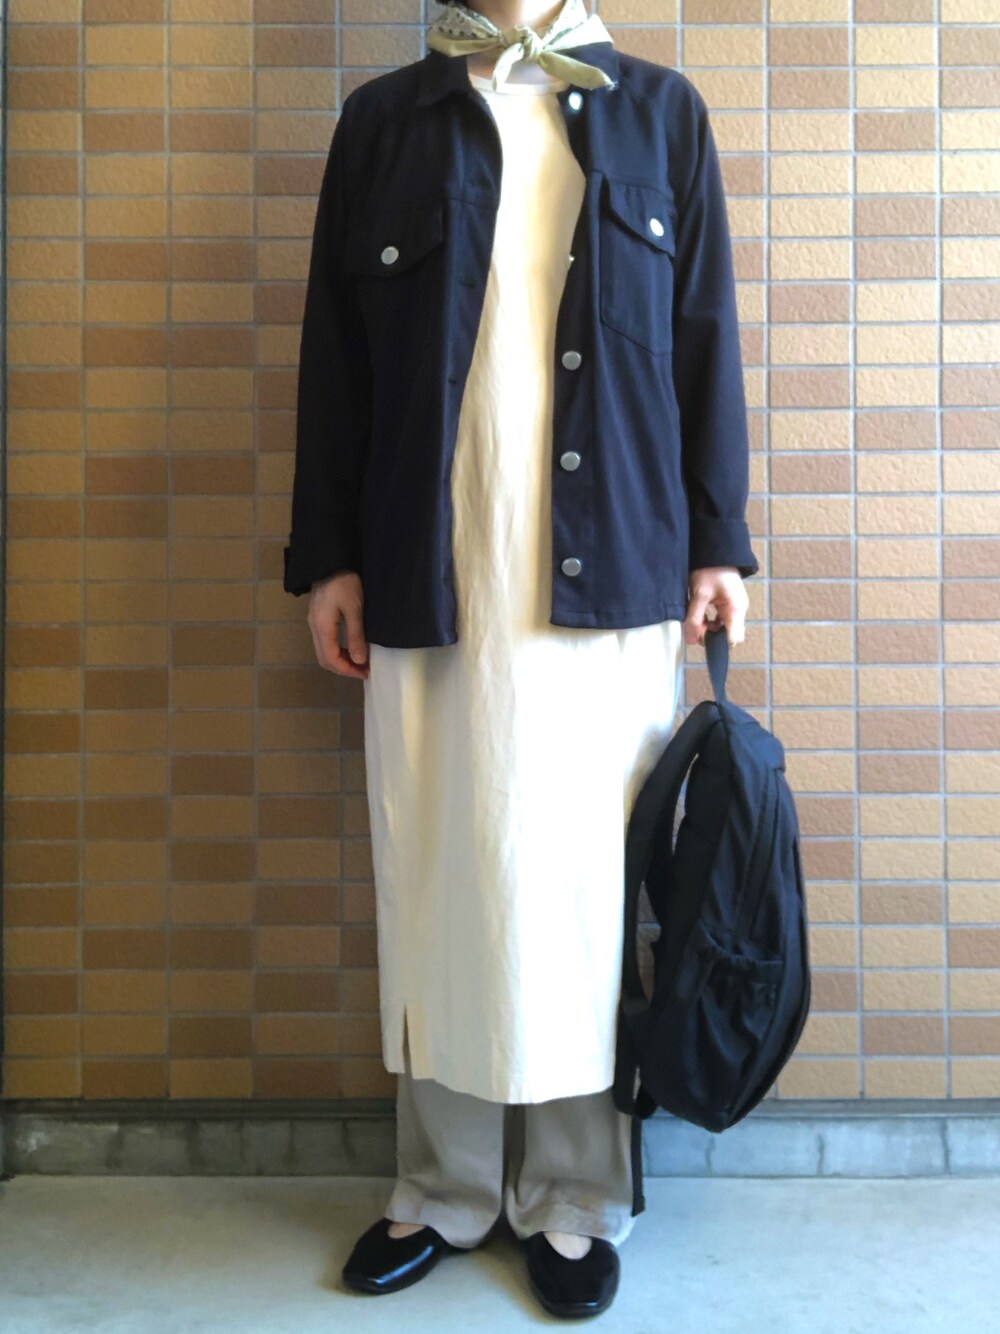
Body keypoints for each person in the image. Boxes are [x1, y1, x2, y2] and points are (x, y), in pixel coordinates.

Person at [283, 0, 757, 1318]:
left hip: (613, 571)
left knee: (586, 886)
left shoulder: (662, 115)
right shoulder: (383, 123)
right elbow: (335, 360)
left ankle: (574, 1194)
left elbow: (705, 333)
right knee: (438, 870)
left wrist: (718, 540)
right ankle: (439, 1185)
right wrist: (330, 556)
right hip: (428, 569)